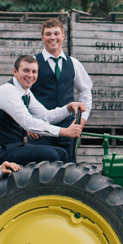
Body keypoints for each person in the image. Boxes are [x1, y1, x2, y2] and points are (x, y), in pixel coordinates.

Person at [0, 54, 85, 166]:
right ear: (15, 72)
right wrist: (65, 132)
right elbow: (28, 123)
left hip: (12, 147)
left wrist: (68, 107)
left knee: (61, 153)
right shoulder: (8, 91)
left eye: (34, 72)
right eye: (26, 70)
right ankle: (47, 184)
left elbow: (46, 116)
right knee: (51, 155)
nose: (30, 75)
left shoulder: (26, 93)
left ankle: (61, 184)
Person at [29, 18, 93, 162]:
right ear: (42, 37)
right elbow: (21, 94)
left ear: (63, 36)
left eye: (56, 33)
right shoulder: (33, 63)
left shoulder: (73, 64)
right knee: (40, 174)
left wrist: (82, 121)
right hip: (39, 131)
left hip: (67, 131)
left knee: (67, 174)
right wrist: (26, 124)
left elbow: (86, 90)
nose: (53, 37)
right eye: (48, 34)